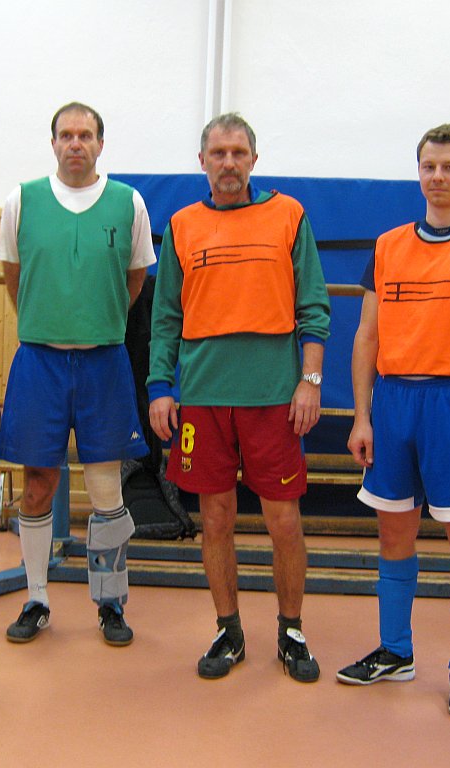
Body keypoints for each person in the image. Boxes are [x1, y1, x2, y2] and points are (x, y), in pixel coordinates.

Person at [335, 123, 450, 719]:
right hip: (394, 402)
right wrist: (362, 416)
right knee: (393, 534)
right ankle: (396, 651)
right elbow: (366, 337)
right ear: (418, 171)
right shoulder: (388, 245)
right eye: (428, 166)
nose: (437, 177)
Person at [147, 113, 331, 683]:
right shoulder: (181, 226)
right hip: (203, 398)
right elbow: (165, 318)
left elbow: (314, 307)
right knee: (215, 518)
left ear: (254, 159)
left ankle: (291, 631)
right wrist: (160, 387)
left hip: (274, 398)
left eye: (238, 152)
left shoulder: (289, 215)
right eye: (218, 153)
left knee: (284, 521)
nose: (228, 163)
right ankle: (228, 630)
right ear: (202, 161)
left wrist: (310, 380)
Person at [0, 102, 156, 646]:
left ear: (100, 144)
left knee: (106, 485)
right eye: (66, 135)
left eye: (85, 135)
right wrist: (49, 323)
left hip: (103, 361)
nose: (75, 144)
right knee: (38, 483)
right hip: (39, 361)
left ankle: (110, 602)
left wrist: (97, 323)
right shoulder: (22, 200)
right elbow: (14, 275)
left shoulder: (128, 202)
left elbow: (135, 279)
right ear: (53, 143)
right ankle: (36, 598)